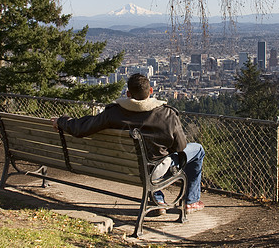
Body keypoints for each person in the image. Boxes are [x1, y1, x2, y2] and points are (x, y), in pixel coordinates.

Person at [51, 73, 205, 214]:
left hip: (123, 167)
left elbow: (81, 128)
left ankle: (158, 198)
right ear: (150, 90)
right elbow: (181, 147)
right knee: (197, 150)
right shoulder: (167, 114)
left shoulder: (113, 113)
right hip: (154, 170)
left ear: (128, 94)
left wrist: (62, 121)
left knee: (149, 159)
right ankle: (191, 201)